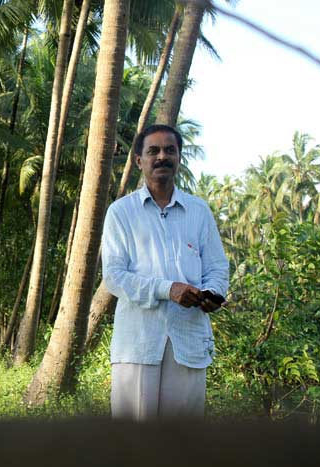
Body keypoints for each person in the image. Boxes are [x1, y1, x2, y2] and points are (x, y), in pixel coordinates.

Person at [101, 124, 229, 421]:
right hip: (138, 344)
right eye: (153, 151)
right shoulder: (121, 213)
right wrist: (167, 289)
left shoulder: (199, 211)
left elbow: (217, 267)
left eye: (170, 150)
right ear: (139, 161)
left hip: (188, 341)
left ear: (179, 158)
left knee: (181, 442)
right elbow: (114, 276)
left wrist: (212, 293)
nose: (162, 157)